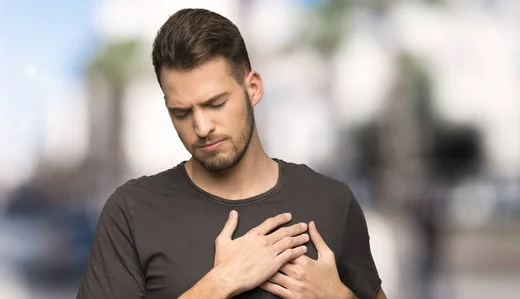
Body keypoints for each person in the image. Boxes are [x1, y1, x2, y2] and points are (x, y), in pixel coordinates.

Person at [77, 8, 386, 299]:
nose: (201, 127)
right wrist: (221, 282)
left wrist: (339, 296)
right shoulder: (131, 212)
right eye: (182, 112)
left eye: (215, 104)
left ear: (253, 88)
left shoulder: (333, 201)